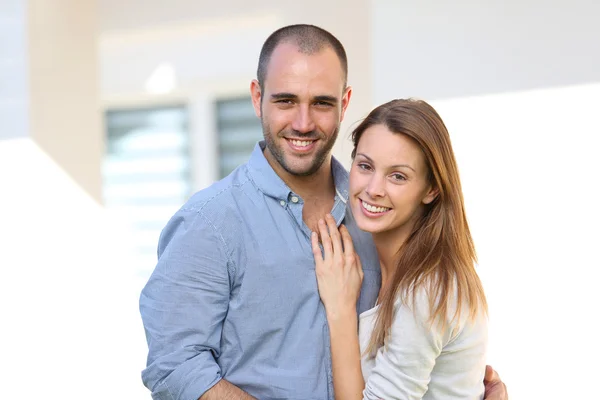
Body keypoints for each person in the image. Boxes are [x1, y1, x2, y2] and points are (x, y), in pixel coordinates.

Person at [139, 24, 508, 400]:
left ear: (345, 103)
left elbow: (426, 348)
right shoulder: (208, 223)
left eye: (321, 103)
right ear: (256, 97)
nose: (303, 123)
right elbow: (176, 368)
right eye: (285, 101)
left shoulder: (378, 218)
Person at [313, 98, 490, 399]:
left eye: (398, 176)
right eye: (365, 166)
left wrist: (341, 310)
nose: (373, 189)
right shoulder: (389, 265)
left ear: (432, 189)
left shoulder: (426, 290)